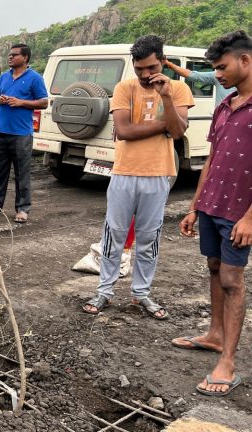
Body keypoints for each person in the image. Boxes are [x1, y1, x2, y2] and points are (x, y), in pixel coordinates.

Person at [82, 35, 194, 319]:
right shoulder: (124, 88)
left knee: (149, 237)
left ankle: (141, 293)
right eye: (139, 68)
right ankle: (105, 291)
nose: (145, 75)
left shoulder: (178, 89)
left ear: (163, 62)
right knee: (114, 235)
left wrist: (166, 97)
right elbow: (125, 131)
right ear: (133, 64)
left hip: (158, 175)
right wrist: (164, 125)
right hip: (124, 172)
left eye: (151, 68)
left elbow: (178, 131)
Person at [174, 30, 252, 397]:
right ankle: (215, 334)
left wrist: (250, 218)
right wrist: (194, 206)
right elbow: (212, 160)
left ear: (245, 61)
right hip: (212, 206)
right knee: (215, 267)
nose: (217, 75)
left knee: (233, 280)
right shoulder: (225, 107)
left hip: (240, 212)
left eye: (221, 67)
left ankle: (228, 363)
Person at [0, 43, 48, 223]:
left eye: (14, 54)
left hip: (21, 134)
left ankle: (22, 209)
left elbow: (44, 102)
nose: (10, 57)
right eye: (9, 54)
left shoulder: (35, 78)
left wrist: (21, 102)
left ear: (25, 58)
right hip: (1, 132)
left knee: (22, 173)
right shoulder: (4, 77)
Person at [164, 59, 234, 106]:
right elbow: (193, 75)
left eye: (222, 67)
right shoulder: (216, 75)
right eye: (217, 69)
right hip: (221, 117)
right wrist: (170, 65)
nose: (218, 75)